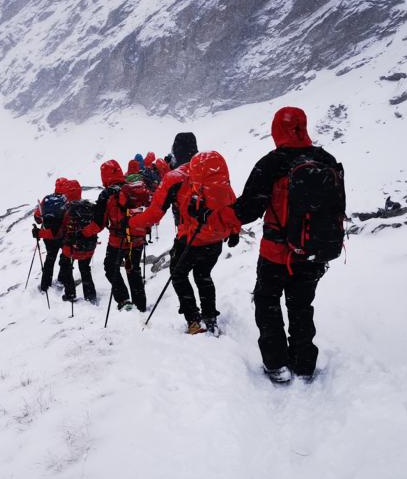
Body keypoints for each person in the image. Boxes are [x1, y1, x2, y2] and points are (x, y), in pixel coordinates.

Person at [213, 106, 343, 383]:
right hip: (312, 252)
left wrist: (218, 218)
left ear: (277, 130)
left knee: (268, 301)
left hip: (275, 252)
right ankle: (305, 364)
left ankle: (276, 365)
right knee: (301, 306)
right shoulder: (326, 159)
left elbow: (247, 209)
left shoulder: (272, 163)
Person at [131, 134, 239, 334]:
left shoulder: (174, 178)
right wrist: (234, 230)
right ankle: (210, 318)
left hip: (190, 239)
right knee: (203, 275)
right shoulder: (211, 171)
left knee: (179, 275)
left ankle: (193, 320)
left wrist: (132, 222)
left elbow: (154, 214)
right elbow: (229, 200)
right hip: (215, 237)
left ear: (177, 151)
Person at [86, 160, 151, 311]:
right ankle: (141, 306)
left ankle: (123, 300)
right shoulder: (132, 188)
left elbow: (98, 225)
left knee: (110, 267)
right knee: (133, 270)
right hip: (137, 239)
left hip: (117, 241)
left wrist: (83, 232)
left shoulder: (106, 195)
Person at [57, 182, 98, 303]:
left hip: (72, 248)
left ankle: (70, 294)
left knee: (65, 266)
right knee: (85, 269)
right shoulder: (89, 207)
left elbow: (62, 229)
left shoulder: (67, 210)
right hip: (89, 247)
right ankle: (91, 297)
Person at [32, 178, 73, 292]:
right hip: (62, 235)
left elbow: (37, 218)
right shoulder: (67, 200)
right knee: (65, 258)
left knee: (50, 259)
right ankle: (62, 280)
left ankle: (45, 286)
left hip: (48, 236)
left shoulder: (46, 199)